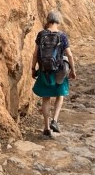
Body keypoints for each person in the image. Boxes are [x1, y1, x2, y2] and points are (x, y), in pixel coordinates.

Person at [31, 9, 76, 137]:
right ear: (59, 21)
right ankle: (55, 121)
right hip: (59, 71)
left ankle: (46, 128)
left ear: (48, 20)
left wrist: (33, 69)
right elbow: (69, 55)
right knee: (59, 95)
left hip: (44, 70)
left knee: (46, 98)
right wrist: (73, 70)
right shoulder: (62, 36)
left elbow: (35, 54)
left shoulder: (41, 34)